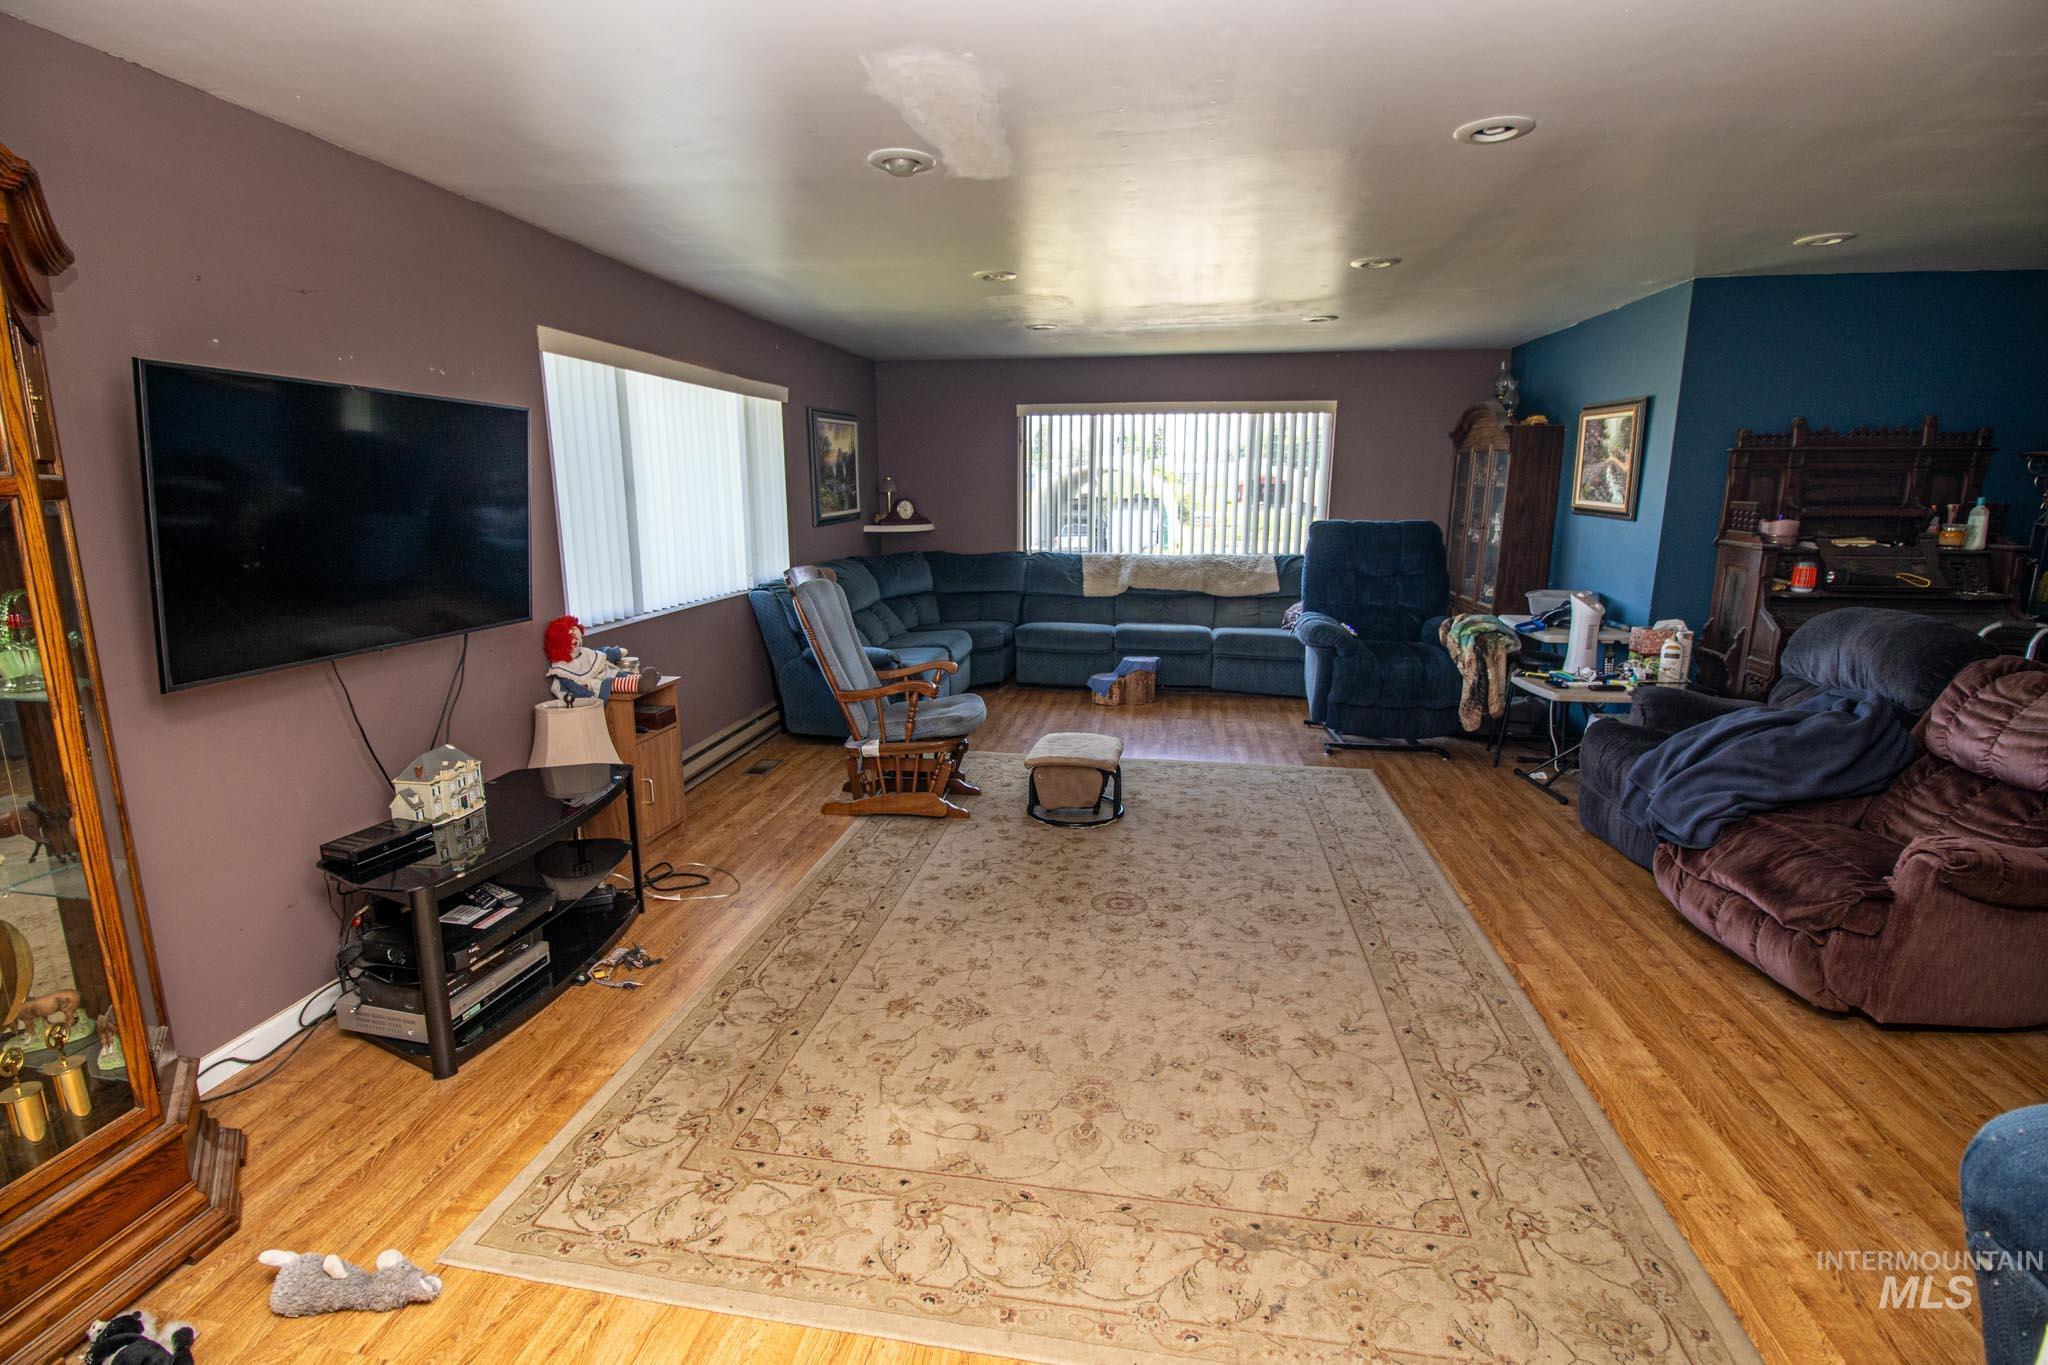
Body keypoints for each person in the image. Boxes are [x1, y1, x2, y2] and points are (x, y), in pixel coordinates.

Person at [541, 614, 623, 704]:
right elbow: (575, 689)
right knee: (610, 683)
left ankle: (635, 680)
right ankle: (635, 683)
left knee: (619, 675)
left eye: (579, 638)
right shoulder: (561, 668)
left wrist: (615, 653)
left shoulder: (583, 652)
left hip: (604, 675)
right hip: (592, 687)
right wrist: (589, 696)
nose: (577, 642)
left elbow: (599, 654)